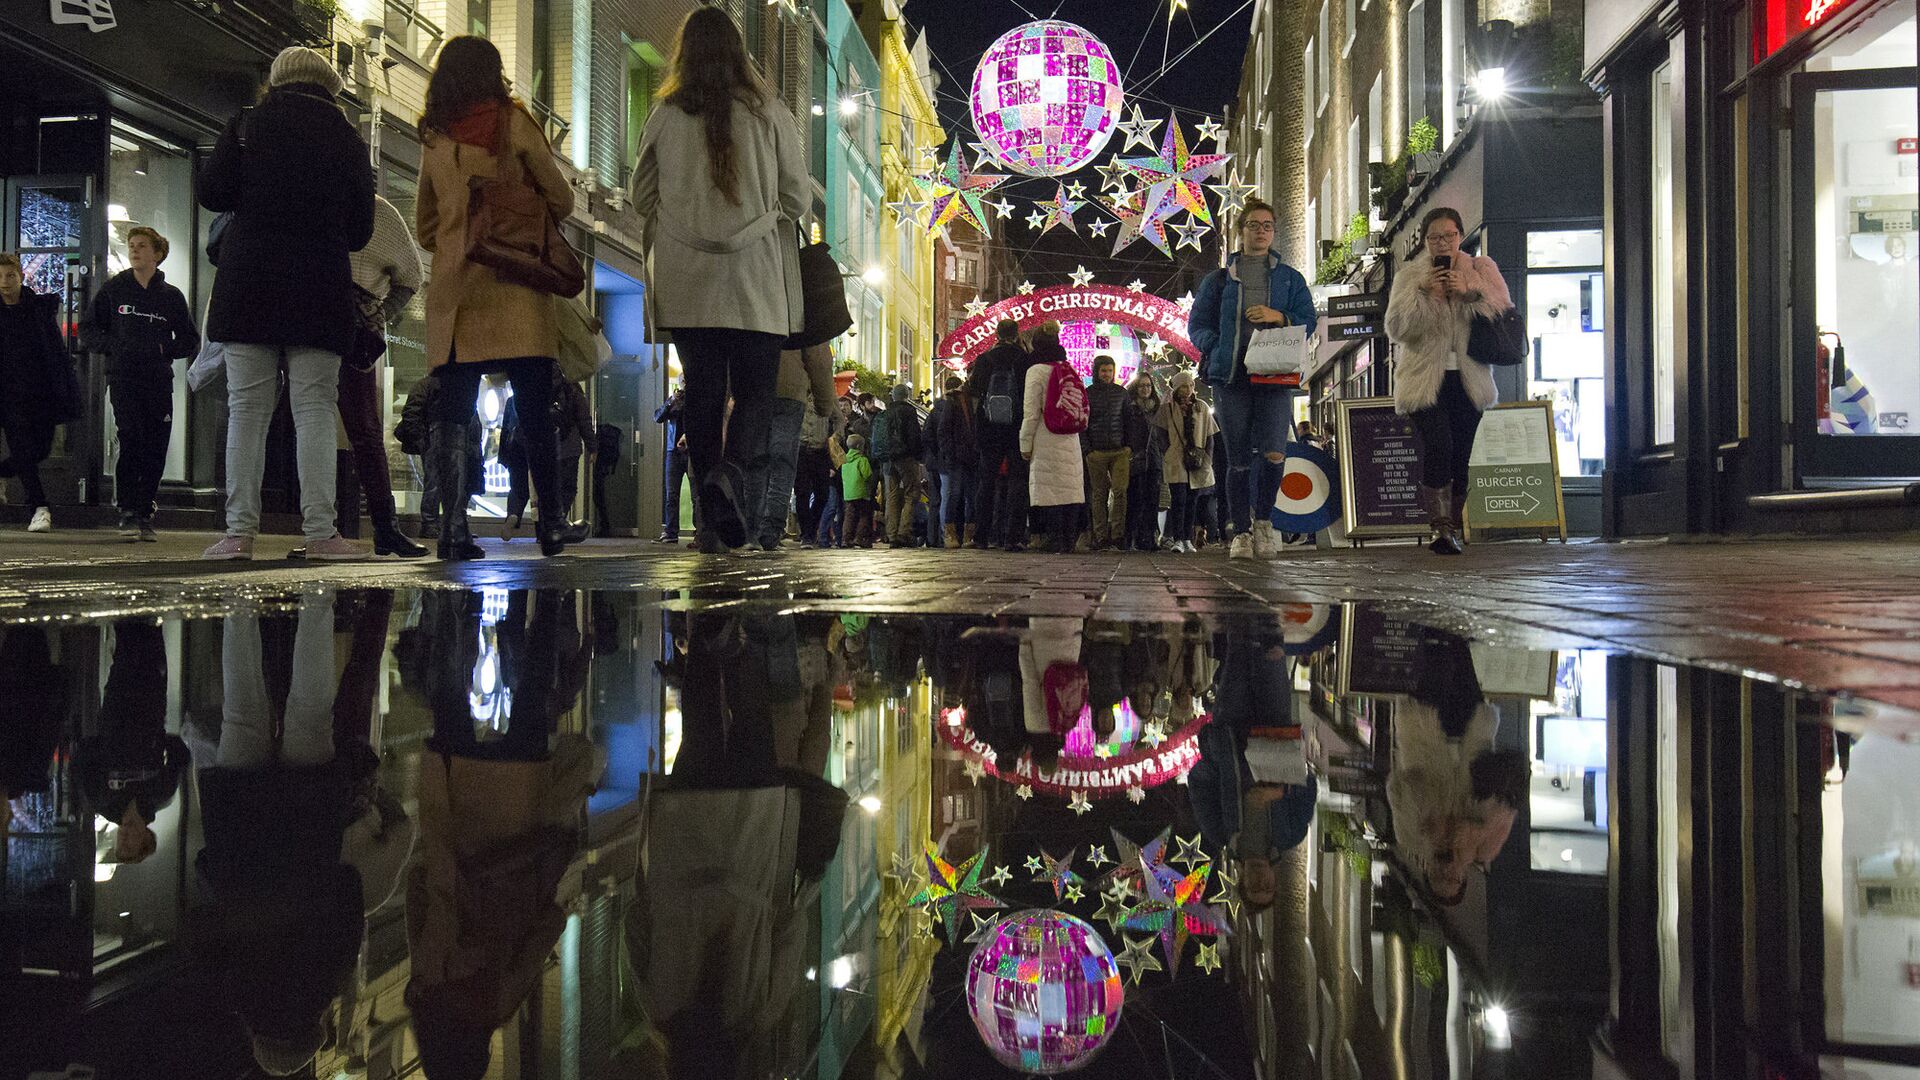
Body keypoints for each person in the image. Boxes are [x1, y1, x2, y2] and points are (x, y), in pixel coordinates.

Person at [633, 7, 808, 555]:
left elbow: (642, 196)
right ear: (738, 52)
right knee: (756, 393)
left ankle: (709, 527)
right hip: (755, 276)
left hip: (688, 280)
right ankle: (729, 475)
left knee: (704, 396)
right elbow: (798, 199)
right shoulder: (770, 114)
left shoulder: (664, 113)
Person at [198, 48, 374, 562]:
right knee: (314, 409)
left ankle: (238, 535)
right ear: (330, 88)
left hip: (248, 285)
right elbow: (361, 230)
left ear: (275, 82)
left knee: (247, 411)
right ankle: (321, 533)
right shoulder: (347, 139)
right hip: (319, 291)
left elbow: (212, 193)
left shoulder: (247, 125)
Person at [415, 36, 575, 562]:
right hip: (519, 285)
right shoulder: (514, 124)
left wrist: (461, 232)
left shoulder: (434, 137)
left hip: (459, 287)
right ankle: (550, 523)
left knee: (454, 411)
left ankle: (453, 528)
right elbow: (562, 197)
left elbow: (425, 225)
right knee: (534, 409)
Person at [1188, 197, 1317, 561]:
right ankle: (1241, 532)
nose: (1261, 232)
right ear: (1240, 231)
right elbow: (1196, 325)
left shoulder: (1290, 278)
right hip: (1231, 377)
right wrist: (1216, 346)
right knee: (1239, 458)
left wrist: (1279, 316)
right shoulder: (1218, 280)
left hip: (1275, 373)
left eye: (1267, 226)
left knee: (1275, 452)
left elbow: (1308, 318)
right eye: (1254, 225)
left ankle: (1264, 522)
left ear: (1273, 232)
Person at [1384, 206, 1512, 555]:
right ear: (1425, 241)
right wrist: (1426, 295)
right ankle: (1440, 529)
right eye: (1434, 238)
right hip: (1425, 381)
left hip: (1469, 379)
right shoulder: (1410, 276)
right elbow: (1396, 328)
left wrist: (1469, 290)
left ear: (1460, 235)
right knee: (1439, 445)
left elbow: (1503, 310)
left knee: (1461, 455)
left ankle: (1453, 527)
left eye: (1449, 236)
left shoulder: (1481, 268)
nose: (1442, 244)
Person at [81, 226, 199, 543]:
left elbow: (190, 340)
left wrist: (164, 350)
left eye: (142, 246)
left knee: (155, 445)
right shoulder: (114, 290)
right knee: (130, 437)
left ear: (157, 253)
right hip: (123, 378)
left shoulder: (171, 296)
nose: (134, 251)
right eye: (131, 246)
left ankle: (146, 509)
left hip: (159, 380)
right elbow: (88, 331)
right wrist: (116, 347)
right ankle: (128, 510)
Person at [337, 193, 427, 557]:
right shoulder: (309, 198)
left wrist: (377, 315)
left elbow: (412, 276)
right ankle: (318, 529)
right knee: (312, 425)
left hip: (353, 330)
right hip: (310, 321)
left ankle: (385, 527)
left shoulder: (380, 213)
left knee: (365, 430)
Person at [0, 252, 81, 533]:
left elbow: (54, 351)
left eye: (10, 275)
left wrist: (63, 387)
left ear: (21, 276)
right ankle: (39, 507)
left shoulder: (39, 308)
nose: (4, 282)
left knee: (40, 449)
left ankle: (3, 473)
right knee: (22, 447)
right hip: (8, 394)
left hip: (40, 391)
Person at [749, 343, 836, 551]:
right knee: (782, 466)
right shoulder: (800, 312)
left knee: (756, 462)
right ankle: (770, 533)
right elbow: (818, 356)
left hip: (756, 387)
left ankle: (750, 532)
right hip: (790, 392)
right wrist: (825, 402)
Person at [1018, 323, 1086, 554]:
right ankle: (1069, 539)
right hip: (1070, 437)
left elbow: (1031, 412)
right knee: (1070, 489)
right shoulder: (1067, 367)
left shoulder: (1035, 371)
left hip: (1046, 436)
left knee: (1050, 490)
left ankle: (1054, 538)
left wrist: (1025, 444)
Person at [966, 319, 1031, 551]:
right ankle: (1012, 537)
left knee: (986, 483)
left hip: (989, 428)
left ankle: (981, 536)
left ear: (997, 334)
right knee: (1017, 482)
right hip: (1016, 427)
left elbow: (973, 389)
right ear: (1016, 335)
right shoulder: (1024, 359)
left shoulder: (985, 359)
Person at [1158, 369, 1217, 554]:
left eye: (1190, 385)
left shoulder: (1202, 407)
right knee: (1179, 499)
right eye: (1183, 386)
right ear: (1176, 388)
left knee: (1192, 500)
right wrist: (1167, 452)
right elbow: (1160, 433)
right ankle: (1177, 538)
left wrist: (1207, 457)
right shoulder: (1167, 408)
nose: (1188, 389)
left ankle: (1187, 539)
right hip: (1175, 458)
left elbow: (1210, 435)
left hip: (1197, 460)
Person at [1081, 355, 1134, 550]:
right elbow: (1083, 423)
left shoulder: (1122, 393)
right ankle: (1101, 536)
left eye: (1110, 370)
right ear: (1096, 371)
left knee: (1120, 492)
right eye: (1103, 370)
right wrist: (1088, 450)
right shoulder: (1088, 393)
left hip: (1119, 451)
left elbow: (1128, 420)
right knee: (1099, 494)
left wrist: (1128, 446)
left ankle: (1118, 535)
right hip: (1097, 452)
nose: (1107, 374)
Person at [929, 374, 978, 548]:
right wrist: (950, 453)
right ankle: (950, 534)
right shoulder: (955, 401)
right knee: (954, 495)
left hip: (972, 457)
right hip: (957, 458)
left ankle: (968, 534)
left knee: (971, 497)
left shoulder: (977, 400)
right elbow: (942, 432)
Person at [879, 382, 924, 547]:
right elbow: (914, 436)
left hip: (888, 459)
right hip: (906, 457)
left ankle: (891, 534)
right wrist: (918, 455)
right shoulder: (909, 411)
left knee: (892, 496)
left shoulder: (886, 412)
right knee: (912, 493)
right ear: (907, 396)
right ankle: (903, 532)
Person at [554, 374, 597, 543]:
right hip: (570, 447)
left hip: (548, 446)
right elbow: (584, 421)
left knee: (549, 488)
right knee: (568, 488)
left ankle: (546, 527)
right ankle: (559, 523)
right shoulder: (574, 390)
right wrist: (592, 447)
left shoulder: (545, 389)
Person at [1124, 371, 1163, 552]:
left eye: (1148, 385)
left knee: (1152, 501)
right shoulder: (1131, 408)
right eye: (1142, 386)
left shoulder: (1158, 409)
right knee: (1135, 499)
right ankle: (1131, 537)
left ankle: (1149, 537)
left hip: (1155, 460)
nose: (1145, 389)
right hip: (1137, 459)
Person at [794, 399, 834, 546]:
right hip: (800, 449)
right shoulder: (798, 393)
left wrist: (836, 436)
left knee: (823, 494)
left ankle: (811, 529)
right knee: (802, 493)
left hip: (821, 451)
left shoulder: (825, 393)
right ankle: (807, 534)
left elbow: (839, 419)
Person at [654, 383, 689, 543]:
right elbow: (657, 417)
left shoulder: (697, 399)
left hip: (691, 451)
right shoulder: (673, 402)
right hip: (672, 452)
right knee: (671, 494)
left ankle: (700, 532)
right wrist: (671, 401)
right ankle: (671, 531)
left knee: (697, 494)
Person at [839, 433, 874, 548]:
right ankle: (859, 538)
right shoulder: (862, 460)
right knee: (864, 515)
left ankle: (846, 539)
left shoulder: (844, 460)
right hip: (861, 492)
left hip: (848, 494)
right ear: (859, 446)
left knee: (849, 516)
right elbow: (867, 474)